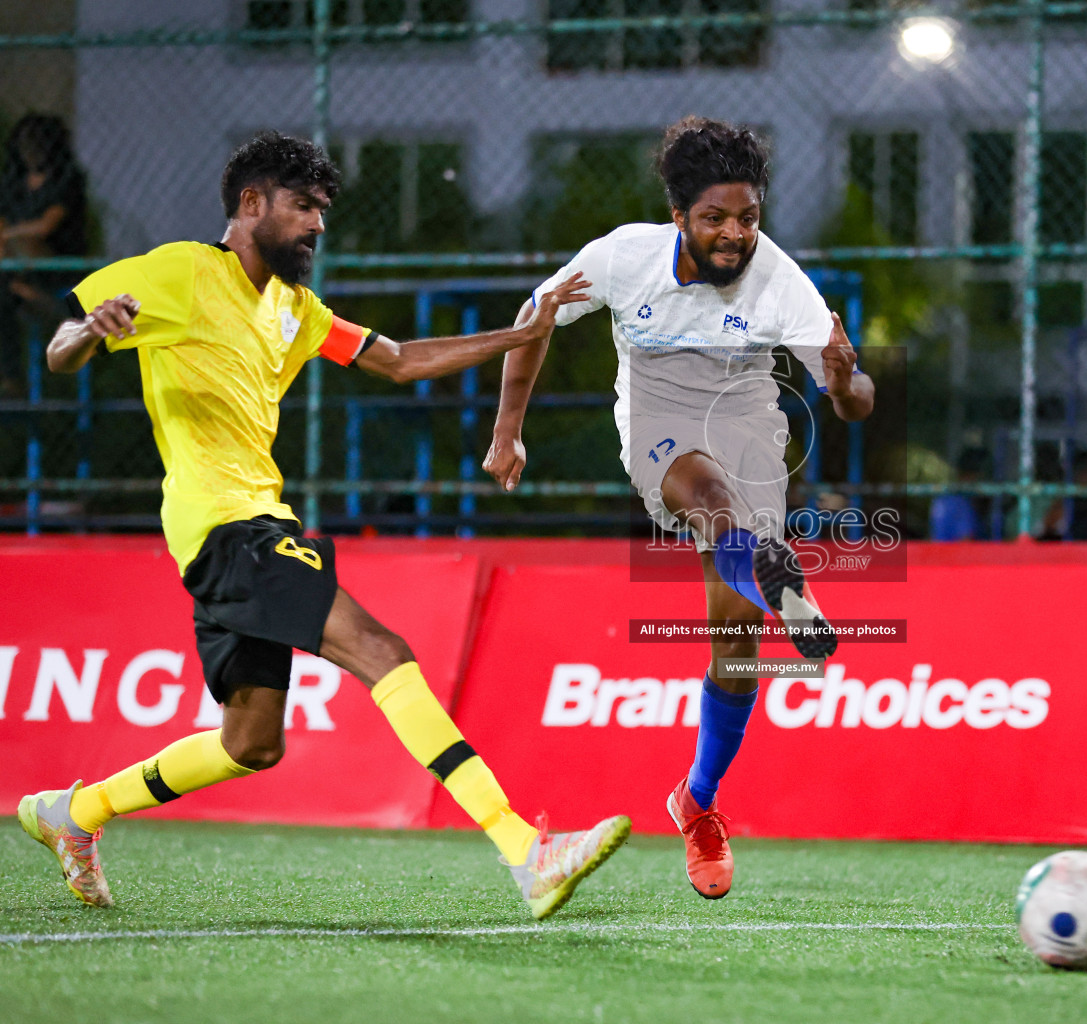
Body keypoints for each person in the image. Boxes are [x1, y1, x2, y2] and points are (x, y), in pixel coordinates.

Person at [17, 130, 629, 920]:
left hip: (245, 527)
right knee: (382, 651)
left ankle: (74, 813)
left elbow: (400, 359)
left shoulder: (295, 309)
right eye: (304, 206)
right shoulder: (177, 270)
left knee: (251, 743)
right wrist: (91, 330)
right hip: (226, 527)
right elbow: (61, 346)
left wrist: (521, 334)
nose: (318, 224)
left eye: (322, 210)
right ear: (251, 204)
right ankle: (524, 849)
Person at [482, 116, 875, 900]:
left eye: (749, 217)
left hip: (748, 423)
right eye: (716, 218)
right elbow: (536, 320)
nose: (736, 234)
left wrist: (841, 382)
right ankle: (777, 576)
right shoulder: (621, 259)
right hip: (659, 424)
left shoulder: (782, 281)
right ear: (679, 218)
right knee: (714, 504)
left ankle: (696, 803)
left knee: (734, 647)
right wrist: (507, 433)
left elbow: (858, 400)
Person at [0, 113, 89, 394]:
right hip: (15, 266)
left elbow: (46, 227)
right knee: (4, 293)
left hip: (56, 263)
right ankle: (11, 377)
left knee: (26, 247)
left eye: (38, 143)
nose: (31, 150)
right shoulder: (14, 181)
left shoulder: (66, 179)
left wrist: (10, 236)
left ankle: (42, 301)